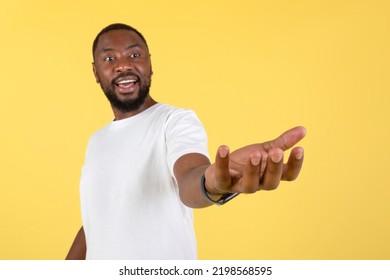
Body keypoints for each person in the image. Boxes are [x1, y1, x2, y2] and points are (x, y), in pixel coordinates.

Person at [66, 23, 306, 260]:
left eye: (134, 54)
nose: (124, 65)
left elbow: (190, 177)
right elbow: (97, 220)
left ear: (150, 64)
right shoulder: (96, 141)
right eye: (109, 59)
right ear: (96, 72)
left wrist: (212, 183)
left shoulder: (175, 121)